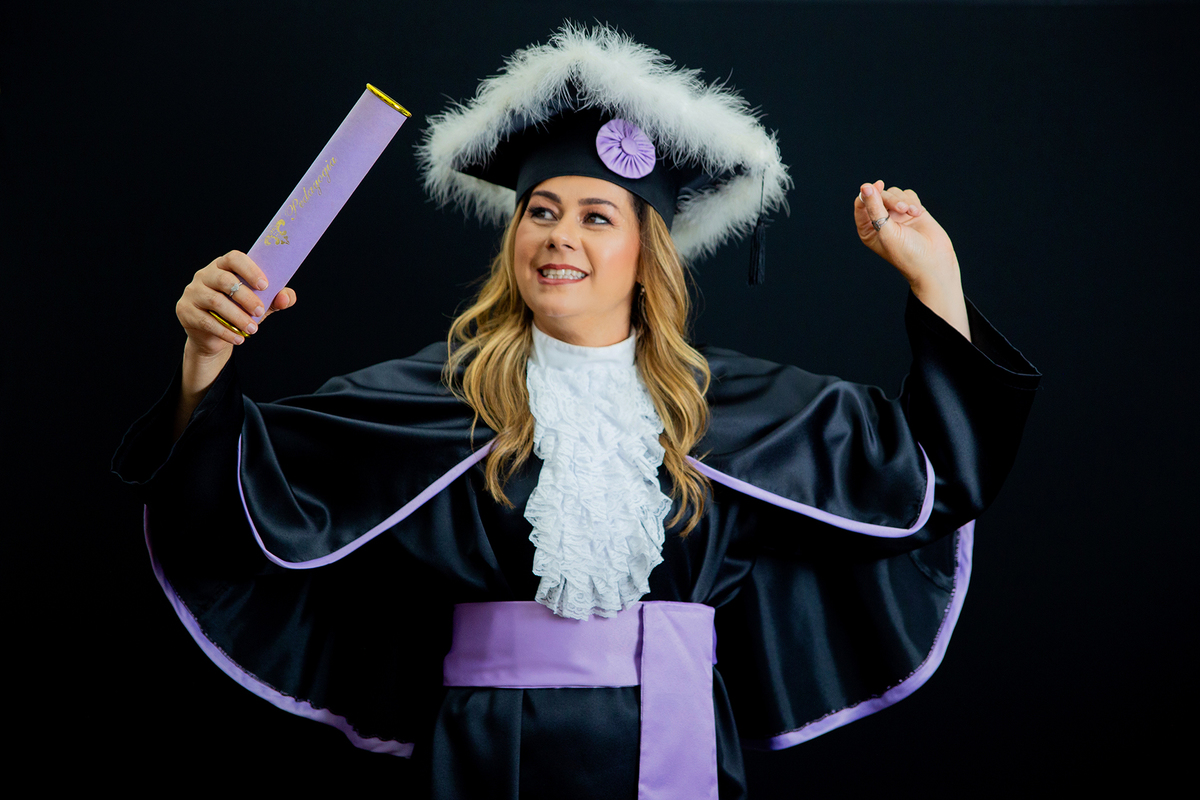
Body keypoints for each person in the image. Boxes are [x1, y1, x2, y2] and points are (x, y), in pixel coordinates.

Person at [114, 24, 1039, 800]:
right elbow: (226, 516)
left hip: (677, 745)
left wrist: (937, 281)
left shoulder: (742, 406)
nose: (560, 234)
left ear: (649, 250)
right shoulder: (428, 399)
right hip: (481, 750)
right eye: (541, 211)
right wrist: (207, 355)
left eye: (599, 216)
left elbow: (931, 475)